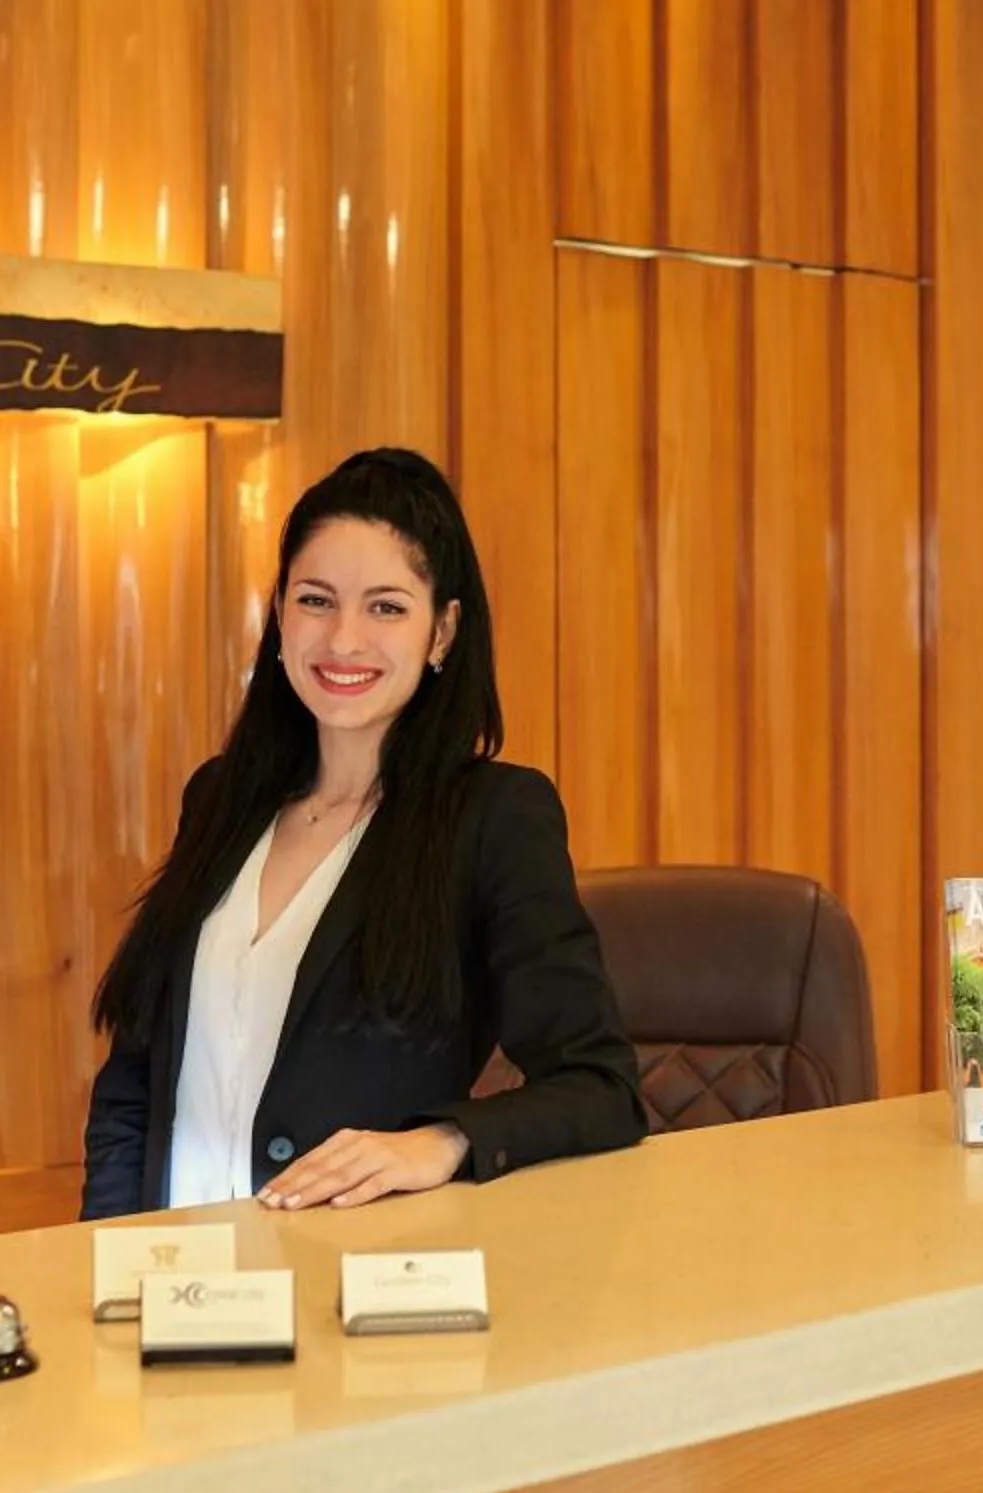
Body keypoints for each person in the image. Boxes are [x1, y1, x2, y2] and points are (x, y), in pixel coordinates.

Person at [80, 447, 646, 1219]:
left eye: (386, 607)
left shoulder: (494, 818)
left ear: (442, 632)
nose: (343, 640)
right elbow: (134, 1088)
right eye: (316, 600)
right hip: (176, 1288)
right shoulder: (218, 800)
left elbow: (600, 1086)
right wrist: (109, 1258)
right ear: (279, 613)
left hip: (347, 1290)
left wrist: (441, 1141)